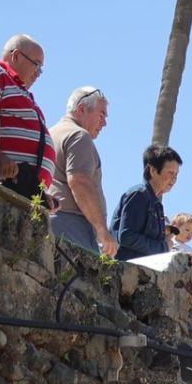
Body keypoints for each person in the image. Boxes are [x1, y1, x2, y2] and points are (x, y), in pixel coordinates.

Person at [0, 35, 55, 200]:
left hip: (24, 189)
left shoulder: (24, 92)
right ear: (16, 56)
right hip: (1, 179)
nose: (38, 73)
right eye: (36, 64)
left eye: (41, 68)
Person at [47, 87, 117, 257]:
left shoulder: (50, 133)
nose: (105, 123)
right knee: (82, 282)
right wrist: (102, 231)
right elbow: (79, 181)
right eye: (101, 115)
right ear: (82, 109)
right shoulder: (79, 136)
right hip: (72, 226)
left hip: (50, 220)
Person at [111, 145, 182, 261]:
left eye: (176, 175)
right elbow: (126, 236)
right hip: (125, 272)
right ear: (153, 170)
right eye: (170, 173)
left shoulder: (157, 205)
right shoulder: (139, 194)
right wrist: (163, 247)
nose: (174, 179)